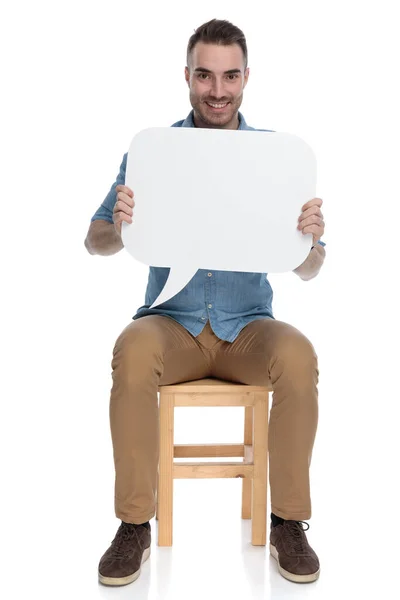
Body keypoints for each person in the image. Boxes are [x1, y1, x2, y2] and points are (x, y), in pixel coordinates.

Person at [84, 18, 326, 587]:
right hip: (173, 326)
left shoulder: (276, 159)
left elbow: (312, 269)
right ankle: (134, 524)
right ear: (187, 77)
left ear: (247, 77)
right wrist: (118, 224)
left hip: (248, 328)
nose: (217, 90)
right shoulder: (153, 151)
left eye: (230, 75)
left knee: (298, 355)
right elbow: (94, 241)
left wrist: (310, 239)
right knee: (132, 350)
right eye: (205, 75)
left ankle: (289, 520)